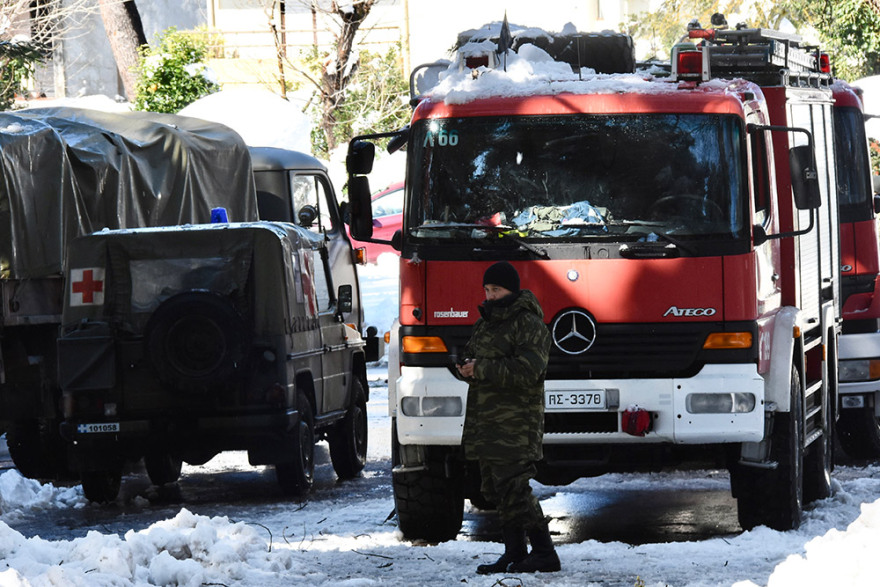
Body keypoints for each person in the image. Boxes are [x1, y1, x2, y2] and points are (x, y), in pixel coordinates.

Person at [456, 261, 559, 574]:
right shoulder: (487, 322)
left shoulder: (528, 324)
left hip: (515, 423)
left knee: (515, 487)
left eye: (496, 290)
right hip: (486, 421)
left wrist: (483, 369)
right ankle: (514, 551)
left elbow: (529, 370)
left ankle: (544, 552)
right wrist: (464, 368)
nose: (490, 296)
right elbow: (477, 359)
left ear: (511, 290)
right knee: (499, 489)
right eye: (487, 290)